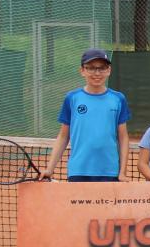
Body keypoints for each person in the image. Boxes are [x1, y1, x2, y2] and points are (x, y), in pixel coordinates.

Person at [43, 49, 131, 182]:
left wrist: (122, 172)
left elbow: (123, 138)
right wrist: (50, 169)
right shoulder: (72, 98)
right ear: (82, 71)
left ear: (109, 70)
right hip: (78, 170)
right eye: (91, 68)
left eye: (102, 68)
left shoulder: (118, 99)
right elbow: (63, 136)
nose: (97, 73)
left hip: (109, 171)